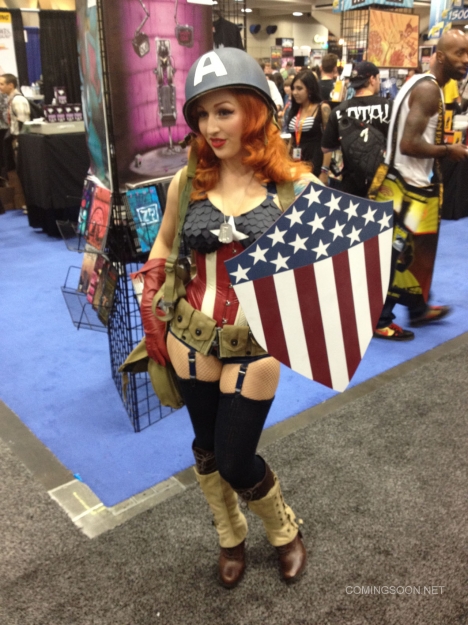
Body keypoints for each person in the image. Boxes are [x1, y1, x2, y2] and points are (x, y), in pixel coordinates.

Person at [138, 48, 314, 588]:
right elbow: (164, 243)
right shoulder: (187, 180)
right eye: (202, 114)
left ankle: (283, 530)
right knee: (207, 448)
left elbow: (328, 271)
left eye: (225, 111)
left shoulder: (294, 187)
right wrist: (152, 307)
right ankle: (229, 534)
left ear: (254, 112)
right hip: (190, 335)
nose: (211, 127)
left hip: (257, 344)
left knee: (237, 459)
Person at [373, 29, 468, 340]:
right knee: (396, 253)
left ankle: (418, 307)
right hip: (405, 188)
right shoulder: (428, 90)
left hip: (412, 185)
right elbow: (409, 144)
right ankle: (381, 320)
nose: (465, 60)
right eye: (459, 53)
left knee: (419, 250)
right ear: (440, 56)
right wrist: (448, 150)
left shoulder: (426, 84)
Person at [321, 61, 392, 197]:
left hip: (351, 183)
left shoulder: (339, 111)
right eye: (378, 79)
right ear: (372, 79)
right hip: (383, 182)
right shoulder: (390, 107)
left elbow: (326, 148)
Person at [287, 69, 331, 183]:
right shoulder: (295, 110)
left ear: (310, 89)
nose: (295, 92)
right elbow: (292, 139)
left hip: (314, 164)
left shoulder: (322, 108)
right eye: (293, 88)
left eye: (299, 88)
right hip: (294, 164)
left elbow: (328, 142)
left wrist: (324, 172)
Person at [0, 73, 30, 211]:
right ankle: (24, 202)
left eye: (2, 84)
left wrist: (21, 143)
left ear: (11, 85)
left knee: (24, 172)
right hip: (15, 140)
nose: (0, 87)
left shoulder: (18, 100)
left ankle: (29, 203)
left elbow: (25, 123)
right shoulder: (10, 99)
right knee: (18, 171)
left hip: (21, 141)